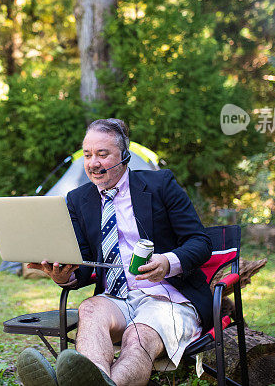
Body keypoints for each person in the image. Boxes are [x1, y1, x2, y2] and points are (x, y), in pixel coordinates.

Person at [16, 118, 212, 386]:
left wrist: (167, 262)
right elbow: (84, 264)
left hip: (169, 299)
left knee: (137, 337)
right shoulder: (78, 199)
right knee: (90, 309)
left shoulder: (160, 184)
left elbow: (200, 242)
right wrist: (64, 277)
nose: (93, 163)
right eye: (87, 155)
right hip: (116, 299)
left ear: (125, 156)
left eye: (102, 154)